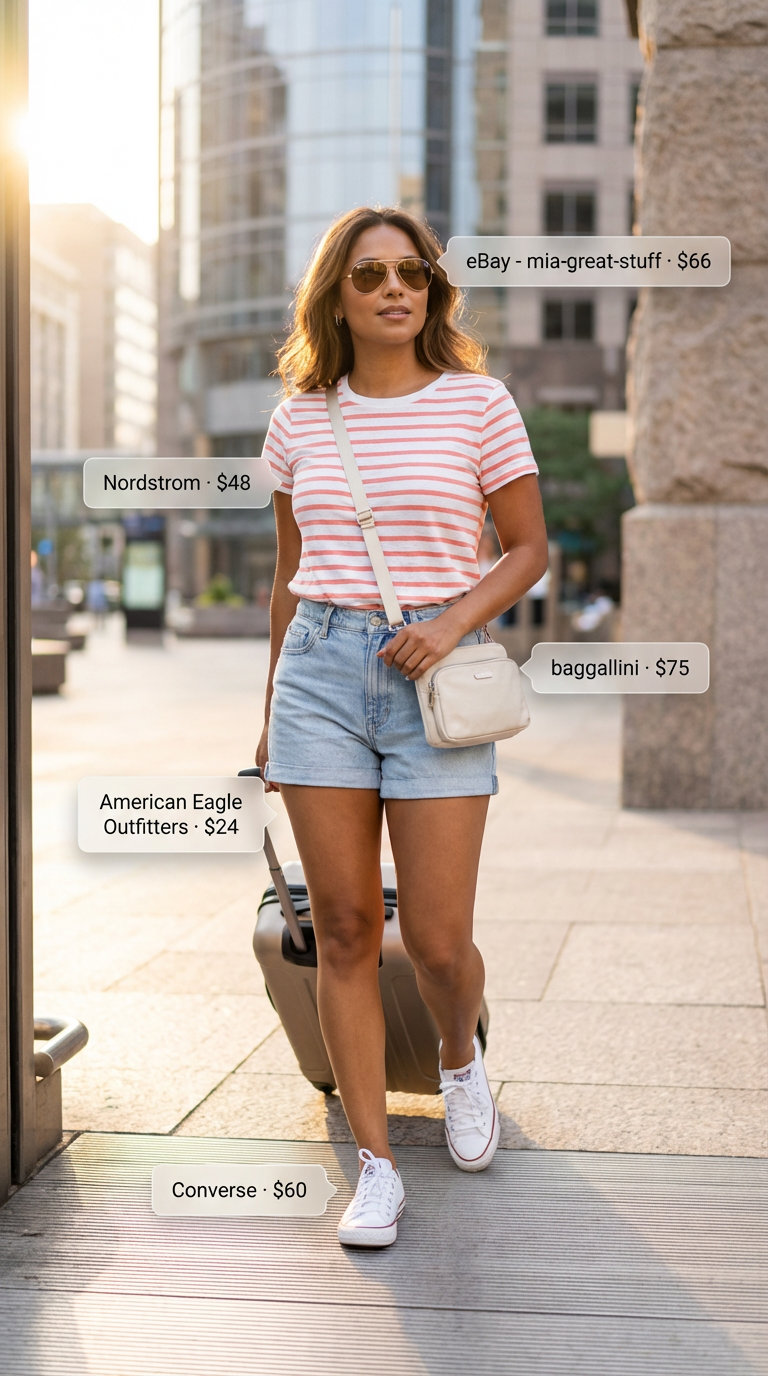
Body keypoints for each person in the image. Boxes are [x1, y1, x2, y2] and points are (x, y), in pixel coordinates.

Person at [256, 206, 548, 1248]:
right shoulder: (299, 418)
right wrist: (269, 715)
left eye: (412, 273)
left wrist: (448, 623)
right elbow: (288, 579)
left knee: (431, 936)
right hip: (323, 676)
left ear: (432, 291)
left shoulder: (480, 403)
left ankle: (461, 1062)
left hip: (435, 675)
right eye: (371, 274)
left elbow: (525, 548)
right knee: (339, 928)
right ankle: (377, 1163)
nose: (394, 289)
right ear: (337, 292)